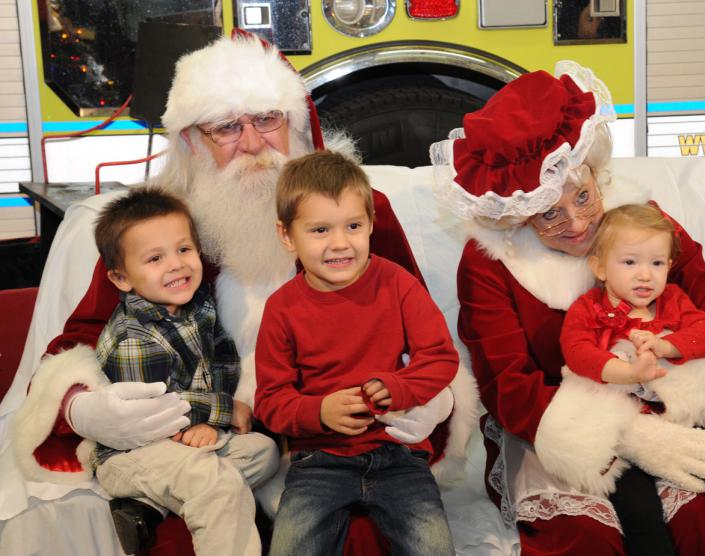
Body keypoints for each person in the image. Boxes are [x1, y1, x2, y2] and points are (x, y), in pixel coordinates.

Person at [4, 33, 476, 555]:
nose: (252, 144)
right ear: (193, 140)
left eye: (267, 119)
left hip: (330, 440)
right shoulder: (164, 229)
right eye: (227, 127)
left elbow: (422, 330)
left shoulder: (359, 212)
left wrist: (434, 400)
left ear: (292, 123)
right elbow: (81, 340)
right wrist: (83, 409)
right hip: (202, 436)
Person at [430, 60, 705, 555]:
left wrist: (665, 388)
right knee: (594, 539)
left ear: (597, 175)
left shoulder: (643, 227)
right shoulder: (489, 265)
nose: (579, 223)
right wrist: (623, 435)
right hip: (557, 427)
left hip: (664, 406)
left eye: (584, 196)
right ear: (518, 214)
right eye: (549, 213)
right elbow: (508, 388)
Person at [254, 150, 457, 555]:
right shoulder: (282, 308)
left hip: (399, 455)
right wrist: (319, 413)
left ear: (370, 225)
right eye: (320, 230)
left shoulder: (397, 284)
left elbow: (440, 358)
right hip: (319, 461)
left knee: (433, 548)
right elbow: (270, 401)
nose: (340, 244)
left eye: (353, 225)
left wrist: (399, 387)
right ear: (286, 236)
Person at [556, 203, 705, 555]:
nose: (645, 276)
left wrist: (667, 345)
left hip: (672, 417)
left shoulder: (672, 300)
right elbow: (576, 351)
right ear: (600, 267)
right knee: (638, 506)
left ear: (670, 266)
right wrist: (627, 372)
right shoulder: (589, 308)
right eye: (630, 262)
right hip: (616, 430)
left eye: (656, 263)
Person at [92, 187, 275, 555]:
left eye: (184, 249)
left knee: (264, 451)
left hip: (183, 439)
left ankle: (147, 508)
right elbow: (159, 408)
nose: (176, 264)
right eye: (155, 258)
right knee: (217, 483)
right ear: (122, 278)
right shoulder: (133, 337)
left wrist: (207, 424)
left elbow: (223, 361)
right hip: (134, 452)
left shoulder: (199, 306)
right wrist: (222, 411)